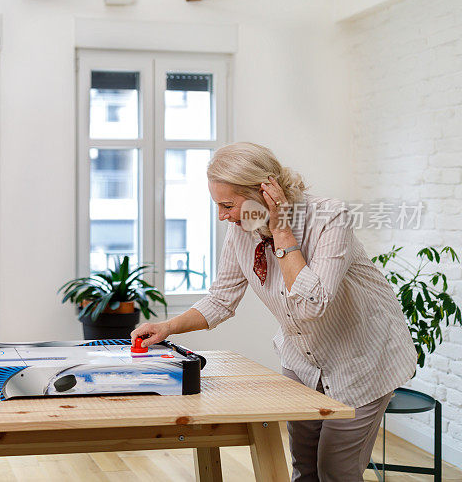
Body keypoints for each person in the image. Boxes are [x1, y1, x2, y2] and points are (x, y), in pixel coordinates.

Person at [131, 142, 416, 482]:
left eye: (227, 205)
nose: (222, 216)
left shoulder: (329, 217)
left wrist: (281, 230)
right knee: (305, 466)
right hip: (303, 359)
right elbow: (222, 299)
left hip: (363, 360)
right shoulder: (241, 230)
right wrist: (169, 327)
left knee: (336, 470)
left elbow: (313, 305)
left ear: (263, 194)